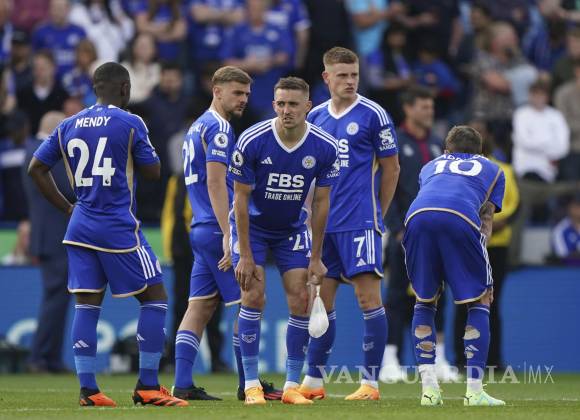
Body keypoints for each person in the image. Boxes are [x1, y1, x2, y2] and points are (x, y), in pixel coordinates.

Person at [27, 62, 187, 407]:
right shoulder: (130, 122)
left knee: (86, 305)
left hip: (80, 226)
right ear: (125, 89)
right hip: (117, 226)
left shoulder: (68, 124)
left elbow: (36, 168)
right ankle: (148, 385)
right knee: (155, 296)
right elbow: (153, 171)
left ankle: (88, 390)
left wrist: (68, 207)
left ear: (94, 88)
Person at [172, 65, 281, 402]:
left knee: (199, 307)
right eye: (237, 93)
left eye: (246, 94)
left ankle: (182, 383)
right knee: (251, 299)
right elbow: (217, 183)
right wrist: (228, 233)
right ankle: (248, 383)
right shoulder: (219, 129)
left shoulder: (196, 127)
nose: (243, 99)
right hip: (217, 227)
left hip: (199, 227)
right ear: (217, 91)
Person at [229, 76, 338, 405]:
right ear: (274, 104)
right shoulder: (252, 140)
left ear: (308, 106)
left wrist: (316, 257)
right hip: (253, 229)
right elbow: (240, 200)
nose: (286, 110)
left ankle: (291, 386)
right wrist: (245, 254)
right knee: (253, 296)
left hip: (291, 230)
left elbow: (321, 203)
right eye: (281, 104)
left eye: (293, 104)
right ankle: (252, 385)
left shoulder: (325, 147)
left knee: (301, 299)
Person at [299, 46, 400, 401]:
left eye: (354, 74)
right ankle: (313, 381)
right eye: (342, 75)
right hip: (323, 226)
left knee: (367, 297)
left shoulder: (374, 114)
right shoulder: (315, 117)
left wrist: (377, 214)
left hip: (359, 221)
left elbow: (392, 168)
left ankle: (370, 383)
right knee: (320, 301)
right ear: (326, 78)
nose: (350, 81)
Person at [402, 125, 506, 406]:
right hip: (460, 217)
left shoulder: (430, 165)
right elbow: (485, 220)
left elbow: (431, 196)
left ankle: (429, 391)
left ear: (447, 150)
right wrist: (475, 263)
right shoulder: (494, 169)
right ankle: (474, 391)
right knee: (480, 299)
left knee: (424, 300)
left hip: (416, 219)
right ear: (480, 152)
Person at [381, 86, 455, 384]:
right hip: (405, 234)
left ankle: (439, 359)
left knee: (438, 297)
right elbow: (386, 188)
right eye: (424, 107)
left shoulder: (438, 144)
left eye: (431, 107)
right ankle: (390, 360)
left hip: (436, 236)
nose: (429, 112)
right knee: (397, 296)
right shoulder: (396, 143)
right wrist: (397, 228)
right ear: (408, 109)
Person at [22, 111, 72, 373]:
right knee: (55, 299)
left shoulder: (33, 149)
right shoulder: (43, 152)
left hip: (50, 235)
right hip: (54, 236)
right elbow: (67, 188)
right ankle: (39, 357)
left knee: (59, 298)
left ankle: (50, 357)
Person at [552, 194, 580, 264]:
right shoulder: (560, 230)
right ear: (570, 208)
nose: (578, 210)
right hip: (568, 268)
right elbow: (562, 257)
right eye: (577, 206)